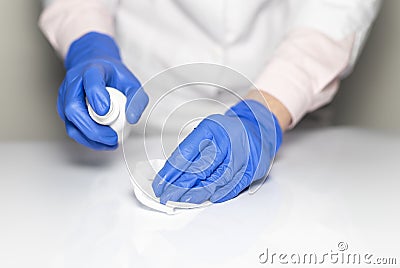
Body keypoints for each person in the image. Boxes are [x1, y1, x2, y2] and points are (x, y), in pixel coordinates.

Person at [39, 0, 381, 204]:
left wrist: (271, 103)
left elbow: (336, 7)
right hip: (141, 114)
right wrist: (87, 40)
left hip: (288, 116)